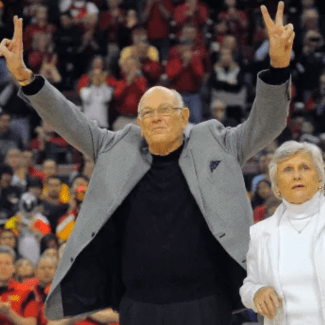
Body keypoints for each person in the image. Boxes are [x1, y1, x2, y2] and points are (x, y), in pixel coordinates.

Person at [0, 2, 294, 324]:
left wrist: (278, 69)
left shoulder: (217, 142)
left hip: (207, 303)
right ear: (138, 122)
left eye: (164, 110)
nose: (155, 119)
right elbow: (70, 121)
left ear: (184, 117)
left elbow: (264, 125)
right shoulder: (116, 147)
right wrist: (27, 79)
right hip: (137, 306)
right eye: (147, 114)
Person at [240, 141, 325, 324]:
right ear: (277, 187)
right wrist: (256, 292)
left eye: (304, 167)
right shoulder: (260, 232)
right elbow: (249, 285)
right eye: (287, 170)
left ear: (320, 179)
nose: (296, 176)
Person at [0, 245, 39, 325]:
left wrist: (8, 313)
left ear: (14, 268)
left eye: (7, 263)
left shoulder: (27, 292)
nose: (3, 267)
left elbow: (31, 323)